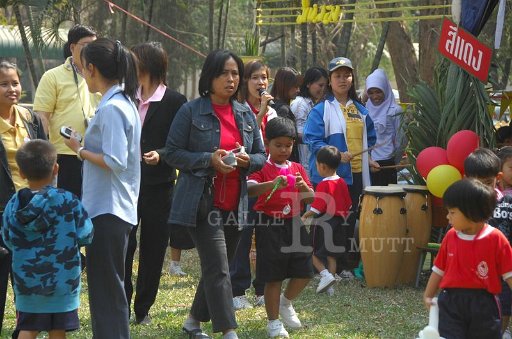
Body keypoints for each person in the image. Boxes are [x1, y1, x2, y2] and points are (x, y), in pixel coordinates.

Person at [164, 49, 266, 339]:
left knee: (216, 266)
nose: (231, 79)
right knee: (220, 268)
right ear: (209, 76)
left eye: (235, 73)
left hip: (237, 201)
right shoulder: (191, 110)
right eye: (224, 73)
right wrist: (209, 159)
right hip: (202, 201)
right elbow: (172, 153)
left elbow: (261, 155)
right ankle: (229, 331)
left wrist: (248, 161)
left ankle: (193, 322)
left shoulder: (246, 112)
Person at [63, 38, 141, 339]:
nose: (83, 74)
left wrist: (79, 149)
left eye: (83, 69)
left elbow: (114, 160)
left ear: (92, 68)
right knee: (110, 287)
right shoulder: (123, 103)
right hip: (114, 208)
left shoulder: (113, 109)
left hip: (108, 210)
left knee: (106, 290)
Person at [123, 41, 188, 324]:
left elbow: (179, 144)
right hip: (126, 183)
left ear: (148, 64)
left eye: (133, 60)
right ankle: (122, 302)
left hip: (159, 186)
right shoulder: (125, 96)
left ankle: (143, 308)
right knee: (125, 244)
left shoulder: (175, 101)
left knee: (153, 247)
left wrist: (159, 155)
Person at [2, 140, 93, 339]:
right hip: (63, 282)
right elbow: (86, 233)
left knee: (28, 328)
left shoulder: (13, 205)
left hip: (28, 283)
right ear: (56, 169)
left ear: (22, 173)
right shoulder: (69, 201)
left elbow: (7, 239)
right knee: (58, 329)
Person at [303, 57, 378, 276]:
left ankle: (343, 265)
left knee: (347, 220)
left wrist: (368, 159)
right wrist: (336, 156)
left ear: (353, 78)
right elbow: (313, 142)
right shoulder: (321, 110)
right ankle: (321, 268)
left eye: (346, 75)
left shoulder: (361, 110)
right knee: (325, 223)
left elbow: (370, 140)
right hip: (329, 178)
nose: (343, 80)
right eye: (337, 76)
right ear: (330, 80)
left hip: (355, 176)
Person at [247, 117, 314, 338]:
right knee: (273, 276)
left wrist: (303, 186)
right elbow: (250, 189)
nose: (284, 150)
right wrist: (273, 184)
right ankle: (273, 322)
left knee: (305, 270)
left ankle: (286, 303)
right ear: (268, 144)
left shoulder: (297, 168)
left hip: (294, 221)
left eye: (288, 145)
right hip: (269, 223)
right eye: (279, 145)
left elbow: (310, 197)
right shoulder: (262, 167)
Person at [423, 178, 512, 338]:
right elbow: (439, 269)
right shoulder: (450, 237)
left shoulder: (496, 238)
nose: (448, 217)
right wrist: (428, 294)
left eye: (452, 212)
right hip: (450, 302)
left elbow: (509, 274)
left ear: (471, 212)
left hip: (484, 305)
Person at [0, 61, 47, 336]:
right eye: (4, 84)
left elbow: (44, 162)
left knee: (28, 286)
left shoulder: (32, 120)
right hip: (2, 213)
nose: (12, 89)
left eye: (15, 83)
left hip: (31, 215)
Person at [230, 59, 276, 310]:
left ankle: (263, 288)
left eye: (264, 77)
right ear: (245, 82)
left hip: (269, 179)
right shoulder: (237, 109)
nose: (261, 82)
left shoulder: (273, 109)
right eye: (255, 77)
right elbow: (245, 145)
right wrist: (258, 115)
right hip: (247, 180)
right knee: (244, 235)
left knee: (267, 236)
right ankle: (238, 289)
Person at [33, 24, 98, 198]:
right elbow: (42, 117)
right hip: (65, 154)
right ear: (72, 47)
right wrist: (43, 155)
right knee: (66, 209)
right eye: (86, 45)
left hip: (96, 154)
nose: (91, 50)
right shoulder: (52, 76)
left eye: (94, 45)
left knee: (91, 211)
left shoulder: (101, 75)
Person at [464, 148, 512, 338]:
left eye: (487, 183)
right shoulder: (467, 205)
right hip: (476, 266)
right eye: (477, 183)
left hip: (504, 266)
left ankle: (500, 333)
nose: (482, 188)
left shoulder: (507, 202)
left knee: (506, 305)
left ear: (497, 178)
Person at [301, 146, 352, 296]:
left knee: (311, 250)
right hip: (340, 222)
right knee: (332, 255)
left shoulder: (324, 184)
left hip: (324, 223)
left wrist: (305, 216)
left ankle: (325, 275)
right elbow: (348, 204)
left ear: (322, 166)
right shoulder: (342, 182)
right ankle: (330, 286)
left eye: (316, 165)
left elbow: (317, 207)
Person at [365, 68, 403, 186]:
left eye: (378, 91)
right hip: (368, 162)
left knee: (388, 201)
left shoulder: (395, 110)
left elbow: (401, 139)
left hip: (388, 163)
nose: (375, 96)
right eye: (370, 92)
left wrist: (395, 160)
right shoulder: (364, 110)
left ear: (385, 89)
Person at [290, 66, 328, 171]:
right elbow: (297, 134)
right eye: (320, 85)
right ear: (308, 84)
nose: (323, 89)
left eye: (325, 86)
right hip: (303, 161)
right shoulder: (300, 104)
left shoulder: (315, 104)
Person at [270, 67, 301, 163]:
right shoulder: (282, 110)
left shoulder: (274, 105)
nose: (298, 90)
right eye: (295, 87)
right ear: (285, 86)